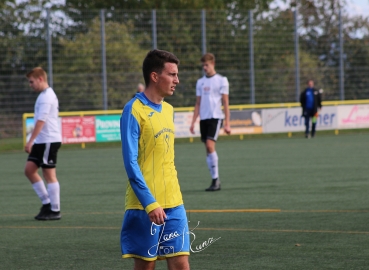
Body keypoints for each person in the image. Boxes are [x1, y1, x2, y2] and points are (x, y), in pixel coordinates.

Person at [120, 49, 190, 270]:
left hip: (174, 203)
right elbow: (130, 164)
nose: (176, 80)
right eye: (172, 74)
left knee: (181, 264)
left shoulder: (169, 110)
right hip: (144, 206)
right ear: (154, 76)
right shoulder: (133, 110)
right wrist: (150, 204)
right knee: (146, 267)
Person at [24, 67, 62, 220]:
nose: (30, 84)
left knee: (49, 175)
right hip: (42, 141)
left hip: (48, 140)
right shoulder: (43, 95)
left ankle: (55, 209)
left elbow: (41, 121)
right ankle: (47, 203)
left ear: (40, 79)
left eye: (31, 81)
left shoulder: (47, 96)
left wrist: (30, 140)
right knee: (29, 170)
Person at [189, 53, 231, 191]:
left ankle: (216, 180)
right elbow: (198, 103)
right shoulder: (200, 82)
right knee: (208, 150)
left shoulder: (222, 80)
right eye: (203, 66)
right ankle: (214, 180)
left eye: (206, 65)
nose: (204, 68)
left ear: (213, 64)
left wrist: (227, 123)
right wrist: (193, 121)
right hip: (204, 118)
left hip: (215, 117)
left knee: (209, 145)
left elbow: (225, 102)